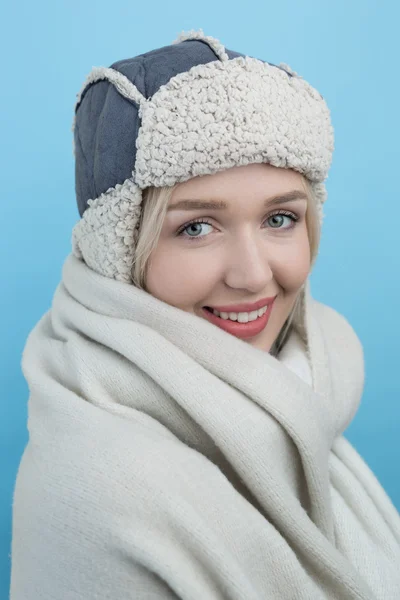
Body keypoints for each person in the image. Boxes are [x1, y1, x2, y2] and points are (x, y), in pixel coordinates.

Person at [10, 29, 400, 600]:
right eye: (196, 227)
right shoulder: (104, 487)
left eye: (280, 219)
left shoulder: (305, 393)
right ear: (123, 254)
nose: (253, 275)